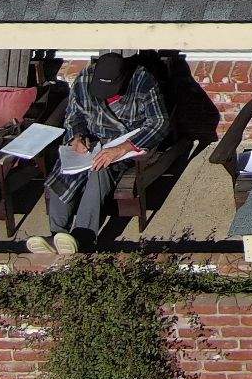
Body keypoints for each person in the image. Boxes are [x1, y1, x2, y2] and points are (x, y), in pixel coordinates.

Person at [30, 53, 166, 253]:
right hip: (92, 142)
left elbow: (159, 123)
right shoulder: (84, 80)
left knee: (99, 170)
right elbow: (73, 116)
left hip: (124, 146)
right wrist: (77, 137)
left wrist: (121, 148)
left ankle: (83, 236)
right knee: (64, 169)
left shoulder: (143, 81)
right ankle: (57, 234)